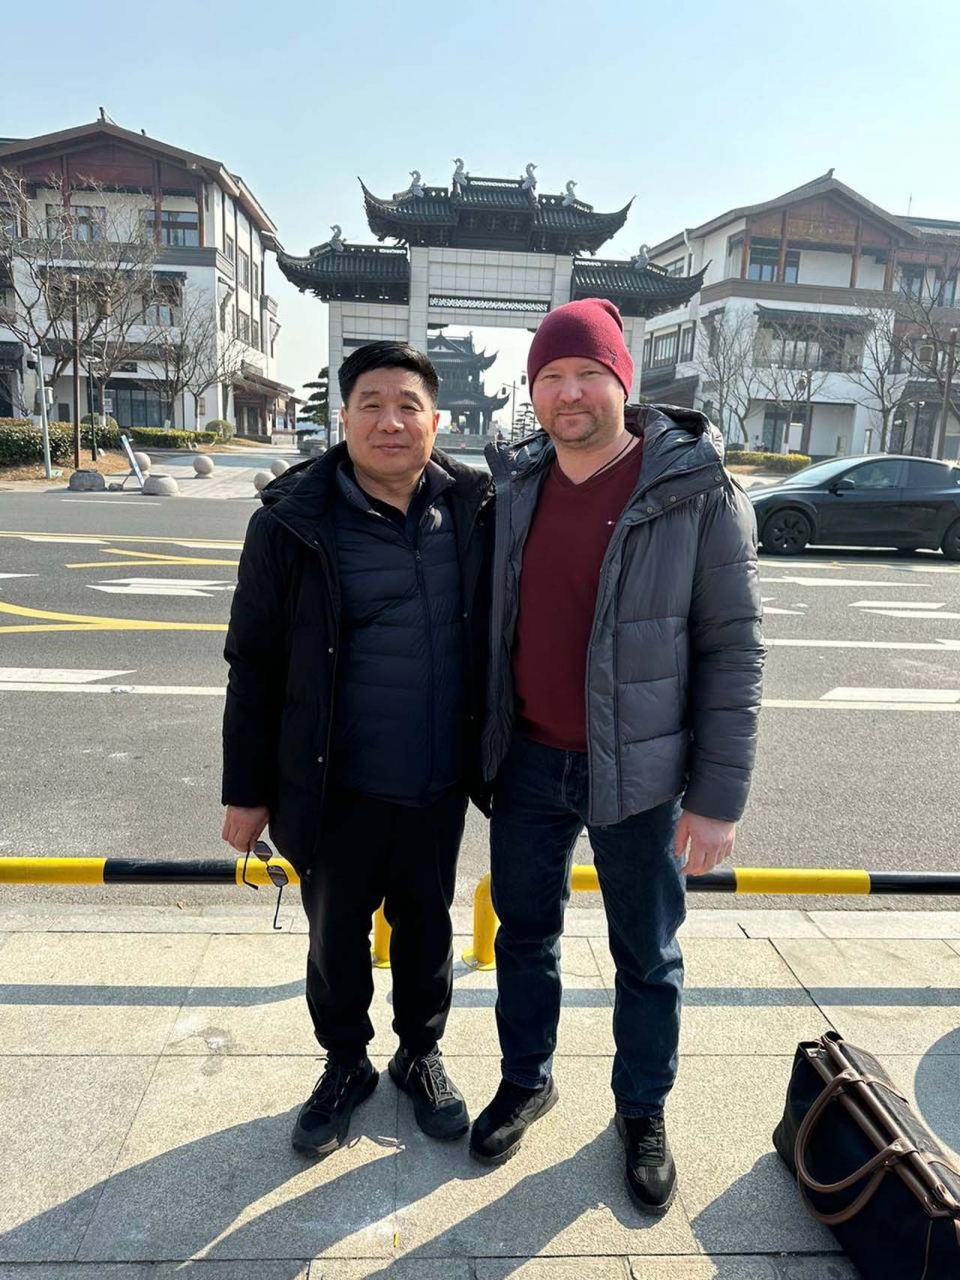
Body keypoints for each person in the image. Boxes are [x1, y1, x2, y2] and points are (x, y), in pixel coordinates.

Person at [470, 299, 764, 1214]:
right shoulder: (517, 486)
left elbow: (733, 650)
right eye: (550, 377)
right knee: (524, 935)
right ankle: (527, 1080)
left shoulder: (695, 491)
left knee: (647, 954)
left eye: (588, 375)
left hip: (640, 772)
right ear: (532, 392)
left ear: (622, 383)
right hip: (527, 761)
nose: (569, 394)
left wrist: (717, 799)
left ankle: (642, 1110)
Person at [221, 341, 492, 1159]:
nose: (390, 421)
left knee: (427, 931)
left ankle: (419, 1054)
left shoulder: (474, 509)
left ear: (436, 421)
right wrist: (245, 791)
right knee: (335, 940)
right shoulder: (290, 523)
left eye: (408, 405)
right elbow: (253, 662)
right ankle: (345, 1064)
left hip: (437, 781)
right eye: (371, 404)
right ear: (343, 417)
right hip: (332, 783)